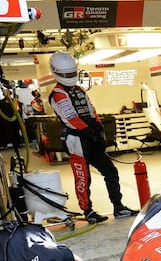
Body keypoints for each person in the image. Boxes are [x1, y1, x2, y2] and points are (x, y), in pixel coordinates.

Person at [48, 51, 138, 223]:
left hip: (90, 137)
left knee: (110, 170)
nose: (70, 76)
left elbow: (91, 110)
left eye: (72, 73)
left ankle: (118, 207)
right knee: (83, 177)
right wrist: (90, 132)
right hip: (76, 140)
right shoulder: (57, 94)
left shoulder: (80, 90)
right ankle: (88, 210)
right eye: (66, 74)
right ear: (56, 72)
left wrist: (99, 129)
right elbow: (71, 119)